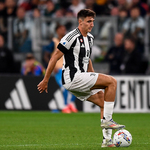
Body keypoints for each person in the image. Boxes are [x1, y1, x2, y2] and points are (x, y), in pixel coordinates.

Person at [37, 9, 125, 147]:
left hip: (81, 78)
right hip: (73, 78)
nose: (92, 25)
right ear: (80, 21)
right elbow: (55, 56)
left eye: (93, 22)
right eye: (89, 21)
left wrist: (94, 77)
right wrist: (45, 79)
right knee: (112, 81)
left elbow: (87, 59)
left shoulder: (90, 38)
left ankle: (107, 141)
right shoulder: (70, 37)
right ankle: (107, 120)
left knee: (103, 102)